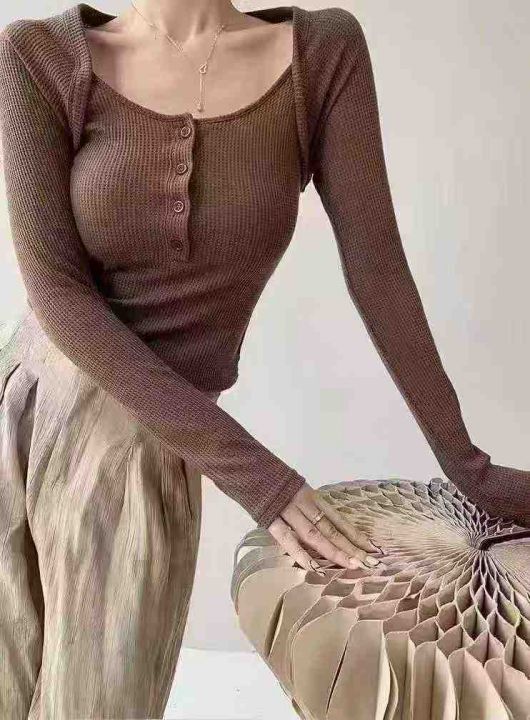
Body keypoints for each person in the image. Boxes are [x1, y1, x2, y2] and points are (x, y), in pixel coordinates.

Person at [0, 0, 527, 717]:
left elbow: (377, 270)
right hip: (30, 409)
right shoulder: (39, 56)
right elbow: (58, 294)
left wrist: (468, 466)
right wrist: (264, 483)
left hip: (147, 450)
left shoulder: (320, 54)